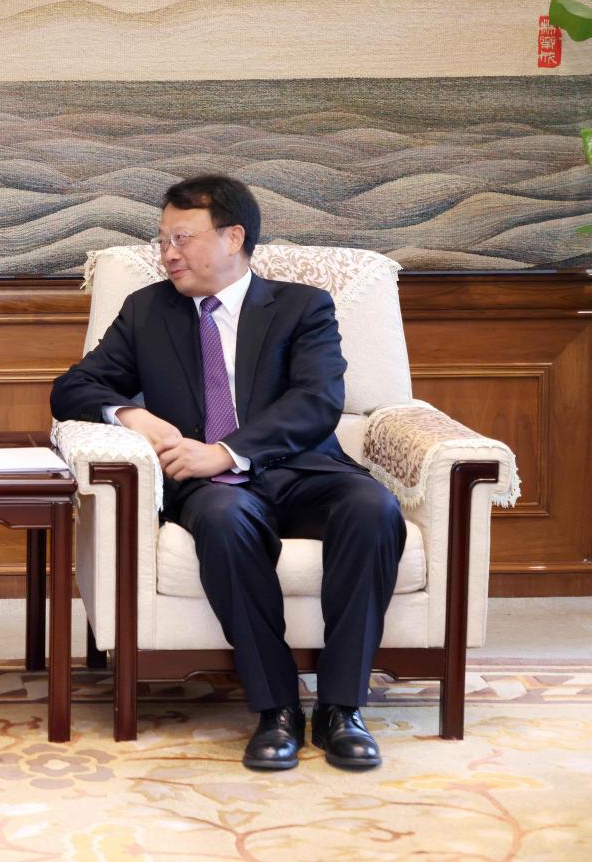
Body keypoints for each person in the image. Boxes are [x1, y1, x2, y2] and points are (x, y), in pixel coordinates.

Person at [51, 175, 404, 771]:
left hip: (300, 468)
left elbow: (317, 401)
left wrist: (228, 451)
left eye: (181, 238)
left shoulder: (302, 307)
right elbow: (71, 388)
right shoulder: (148, 311)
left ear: (233, 237)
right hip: (209, 489)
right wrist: (131, 414)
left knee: (373, 508)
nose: (168, 253)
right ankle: (277, 709)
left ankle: (342, 708)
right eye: (163, 240)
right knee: (222, 519)